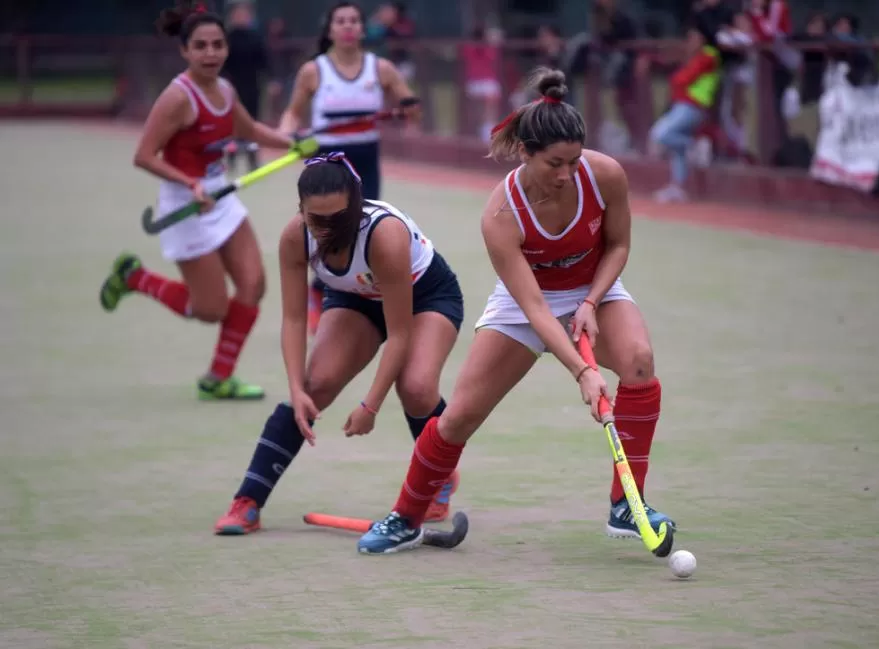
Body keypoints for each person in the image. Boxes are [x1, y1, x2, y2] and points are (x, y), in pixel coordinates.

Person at [356, 67, 675, 555]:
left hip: (595, 288)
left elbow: (618, 245)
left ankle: (626, 508)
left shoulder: (605, 174)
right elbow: (533, 307)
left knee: (639, 363)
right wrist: (583, 372)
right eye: (554, 163)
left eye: (574, 161)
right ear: (525, 153)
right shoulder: (501, 215)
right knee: (460, 416)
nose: (567, 175)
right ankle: (406, 517)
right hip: (527, 304)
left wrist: (591, 301)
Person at [213, 153, 464, 534]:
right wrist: (296, 389)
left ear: (357, 203)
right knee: (316, 386)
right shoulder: (294, 237)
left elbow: (399, 333)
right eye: (317, 220)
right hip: (356, 299)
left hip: (425, 297)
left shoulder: (384, 235)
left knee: (415, 387)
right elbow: (295, 320)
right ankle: (247, 502)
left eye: (339, 218)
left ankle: (439, 478)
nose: (328, 230)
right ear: (302, 210)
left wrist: (370, 405)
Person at [98, 1, 307, 401]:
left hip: (221, 199)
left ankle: (217, 378)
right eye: (201, 46)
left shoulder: (226, 90)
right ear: (185, 51)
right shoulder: (178, 98)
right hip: (185, 206)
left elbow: (251, 130)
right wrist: (190, 185)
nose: (210, 53)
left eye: (217, 45)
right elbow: (144, 155)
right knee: (210, 309)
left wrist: (294, 143)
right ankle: (134, 278)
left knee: (253, 284)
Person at [277, 1, 420, 336]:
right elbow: (292, 114)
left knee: (361, 228)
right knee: (327, 229)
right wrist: (289, 135)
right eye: (340, 21)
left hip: (366, 159)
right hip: (327, 159)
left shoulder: (380, 68)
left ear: (361, 28)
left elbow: (410, 105)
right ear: (330, 29)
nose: (347, 26)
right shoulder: (314, 71)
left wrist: (408, 109)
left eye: (354, 21)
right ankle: (318, 292)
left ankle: (352, 296)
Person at [649, 26, 721, 203]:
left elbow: (682, 79)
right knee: (677, 148)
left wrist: (678, 72)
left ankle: (696, 145)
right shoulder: (696, 56)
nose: (690, 42)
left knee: (660, 135)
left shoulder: (708, 55)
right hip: (682, 105)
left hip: (693, 106)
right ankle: (678, 187)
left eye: (694, 38)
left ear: (702, 39)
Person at [221, 0, 269, 173]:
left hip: (252, 88)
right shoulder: (227, 39)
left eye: (244, 13)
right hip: (232, 88)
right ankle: (231, 160)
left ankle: (252, 159)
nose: (241, 16)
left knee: (252, 124)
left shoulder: (256, 38)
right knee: (232, 125)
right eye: (238, 13)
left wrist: (271, 81)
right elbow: (222, 65)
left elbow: (264, 62)